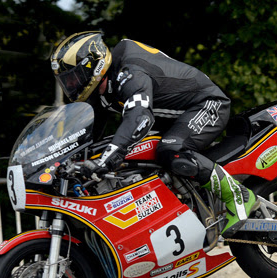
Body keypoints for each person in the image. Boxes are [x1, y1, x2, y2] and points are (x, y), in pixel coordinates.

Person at [50, 31, 257, 238]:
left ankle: (238, 195)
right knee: (130, 154)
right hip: (176, 119)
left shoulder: (129, 72)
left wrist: (108, 158)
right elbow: (88, 138)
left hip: (208, 104)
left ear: (91, 66)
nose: (70, 85)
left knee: (172, 149)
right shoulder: (101, 90)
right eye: (66, 81)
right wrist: (60, 163)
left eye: (72, 77)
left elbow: (139, 117)